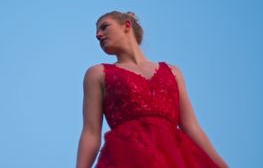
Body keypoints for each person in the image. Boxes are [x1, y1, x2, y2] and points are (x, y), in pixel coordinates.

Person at [76, 11, 229, 168]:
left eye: (104, 27)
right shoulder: (97, 74)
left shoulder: (172, 72)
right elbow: (91, 133)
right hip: (127, 157)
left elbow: (192, 127)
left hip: (175, 158)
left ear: (126, 25)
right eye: (97, 32)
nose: (98, 35)